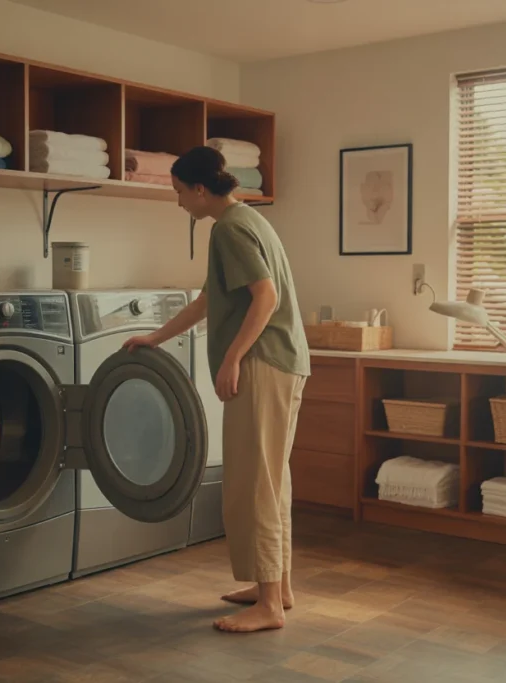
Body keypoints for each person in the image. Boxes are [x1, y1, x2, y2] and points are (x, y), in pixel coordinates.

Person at [123, 145, 310, 633]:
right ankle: (277, 587)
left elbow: (265, 298)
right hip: (284, 362)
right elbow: (211, 298)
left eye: (179, 192)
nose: (179, 202)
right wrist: (157, 336)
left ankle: (268, 606)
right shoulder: (248, 218)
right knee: (272, 479)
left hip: (265, 365)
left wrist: (233, 358)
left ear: (200, 190)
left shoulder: (229, 229)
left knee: (256, 484)